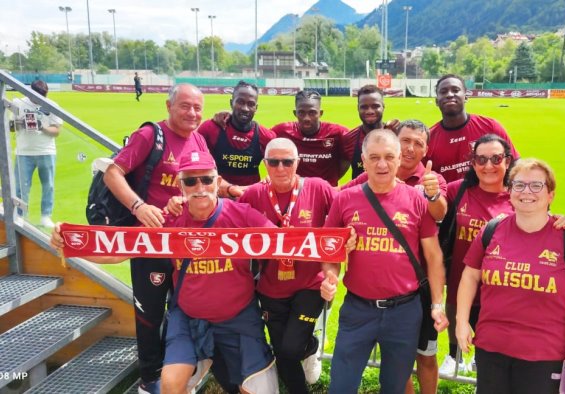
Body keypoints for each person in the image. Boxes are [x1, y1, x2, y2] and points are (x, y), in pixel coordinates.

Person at [52, 149, 280, 394]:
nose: (200, 187)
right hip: (189, 316)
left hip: (238, 317)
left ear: (217, 181)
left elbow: (284, 245)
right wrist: (69, 243)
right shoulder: (168, 220)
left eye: (206, 179)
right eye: (190, 181)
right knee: (170, 384)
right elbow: (118, 252)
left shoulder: (241, 215)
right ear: (180, 185)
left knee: (258, 390)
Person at [320, 129, 448, 394]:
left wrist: (436, 304)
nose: (382, 164)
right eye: (374, 157)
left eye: (389, 157)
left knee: (394, 387)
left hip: (404, 312)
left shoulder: (416, 199)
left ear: (399, 159)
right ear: (363, 161)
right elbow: (329, 253)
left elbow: (434, 257)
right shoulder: (344, 199)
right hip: (358, 310)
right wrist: (330, 277)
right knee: (341, 386)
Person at [455, 158, 565, 394]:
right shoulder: (492, 231)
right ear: (510, 193)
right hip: (492, 348)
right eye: (519, 185)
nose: (526, 192)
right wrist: (461, 322)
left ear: (550, 195)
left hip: (543, 354)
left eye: (536, 186)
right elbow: (470, 276)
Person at [103, 83, 209, 393]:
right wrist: (139, 205)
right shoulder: (151, 135)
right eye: (185, 106)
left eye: (197, 108)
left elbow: (207, 179)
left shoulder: (200, 139)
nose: (192, 113)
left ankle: (179, 372)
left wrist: (232, 190)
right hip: (150, 244)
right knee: (149, 314)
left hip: (186, 245)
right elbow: (112, 172)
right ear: (168, 106)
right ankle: (150, 378)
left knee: (185, 310)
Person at [440, 134, 565, 376]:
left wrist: (563, 222)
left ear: (507, 161)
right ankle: (453, 355)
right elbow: (429, 206)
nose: (488, 165)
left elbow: (542, 224)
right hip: (462, 286)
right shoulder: (457, 191)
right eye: (481, 159)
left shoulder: (520, 196)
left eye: (496, 158)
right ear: (472, 162)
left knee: (496, 365)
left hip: (503, 295)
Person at [238, 138, 339, 394]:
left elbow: (346, 207)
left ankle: (310, 345)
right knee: (282, 352)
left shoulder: (317, 188)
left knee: (291, 348)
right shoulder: (253, 194)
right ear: (265, 164)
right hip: (271, 288)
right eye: (273, 162)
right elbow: (222, 216)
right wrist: (183, 201)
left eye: (287, 162)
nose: (281, 168)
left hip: (310, 284)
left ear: (298, 162)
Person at [425, 74, 519, 183]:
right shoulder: (429, 138)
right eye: (443, 92)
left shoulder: (490, 126)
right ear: (437, 101)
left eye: (455, 90)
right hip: (449, 199)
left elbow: (515, 163)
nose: (450, 95)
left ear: (466, 97)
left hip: (489, 197)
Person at [197, 81, 276, 199]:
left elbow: (280, 169)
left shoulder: (266, 137)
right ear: (231, 103)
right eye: (240, 102)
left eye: (251, 104)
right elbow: (193, 160)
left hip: (249, 198)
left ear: (256, 108)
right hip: (217, 198)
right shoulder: (210, 128)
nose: (245, 108)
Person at [9, 79, 62, 227]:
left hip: (46, 151)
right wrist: (19, 124)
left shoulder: (52, 106)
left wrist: (42, 127)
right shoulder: (18, 103)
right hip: (24, 152)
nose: (40, 101)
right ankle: (20, 215)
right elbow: (11, 127)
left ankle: (46, 216)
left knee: (48, 185)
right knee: (21, 186)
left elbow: (57, 131)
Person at [272, 90, 349, 187]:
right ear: (295, 113)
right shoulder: (282, 131)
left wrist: (332, 179)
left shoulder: (338, 133)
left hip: (326, 193)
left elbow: (346, 160)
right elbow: (264, 149)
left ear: (320, 113)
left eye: (312, 113)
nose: (306, 118)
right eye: (301, 113)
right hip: (296, 193)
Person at [342, 85, 398, 179]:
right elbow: (340, 168)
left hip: (389, 193)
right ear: (358, 108)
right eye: (364, 107)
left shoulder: (396, 134)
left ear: (383, 107)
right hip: (359, 193)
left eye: (375, 106)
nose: (370, 111)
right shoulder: (349, 139)